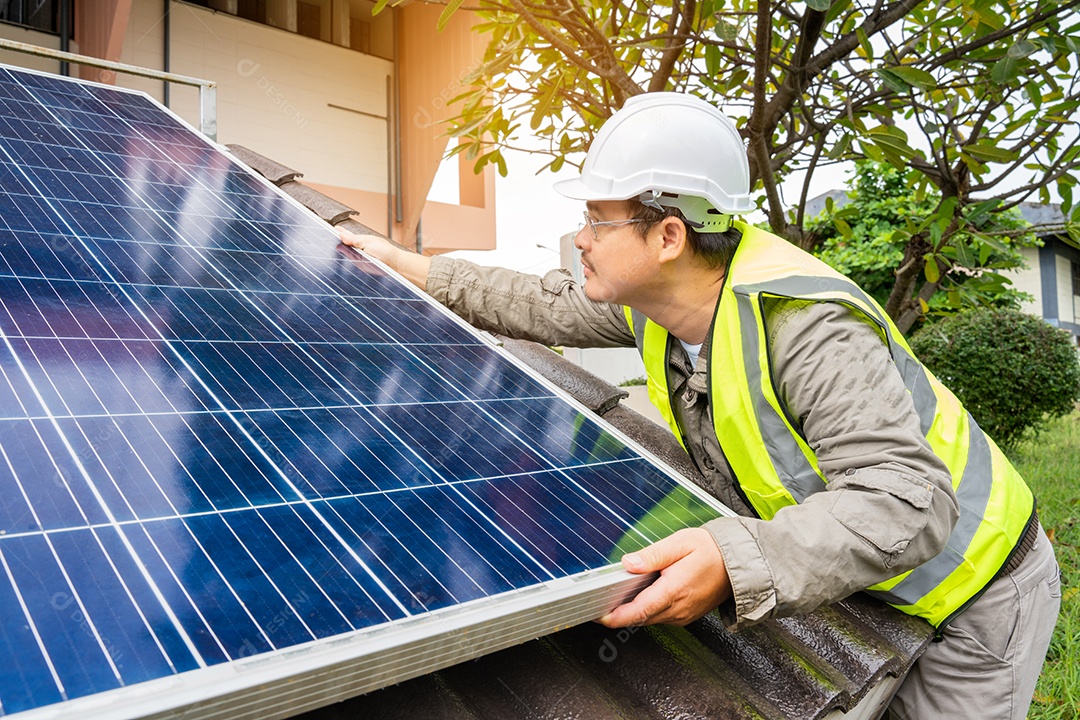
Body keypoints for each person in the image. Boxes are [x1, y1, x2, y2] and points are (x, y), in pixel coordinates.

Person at [339, 92, 1060, 719]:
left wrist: (736, 554)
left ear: (668, 235)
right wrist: (417, 269)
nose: (581, 241)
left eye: (597, 220)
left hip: (975, 589)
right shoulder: (660, 308)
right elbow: (542, 305)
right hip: (874, 586)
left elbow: (909, 503)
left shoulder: (803, 327)